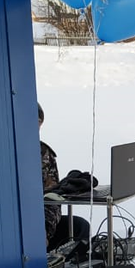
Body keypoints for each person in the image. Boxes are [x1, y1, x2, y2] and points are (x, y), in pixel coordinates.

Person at [39, 103, 90, 251]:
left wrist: (45, 232)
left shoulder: (44, 154)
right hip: (18, 226)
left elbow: (51, 198)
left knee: (80, 228)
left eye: (39, 124)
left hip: (42, 223)